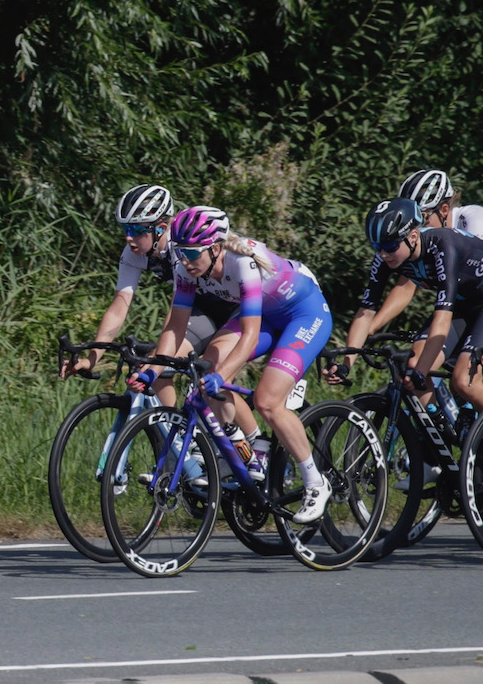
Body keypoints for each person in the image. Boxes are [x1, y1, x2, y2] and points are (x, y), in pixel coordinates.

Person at [129, 206, 335, 522]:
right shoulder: (188, 267)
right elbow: (175, 328)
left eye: (191, 253)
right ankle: (241, 451)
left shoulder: (244, 264)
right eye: (180, 252)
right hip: (266, 316)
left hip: (303, 313)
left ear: (214, 248)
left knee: (267, 401)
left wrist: (222, 376)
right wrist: (151, 370)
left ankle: (315, 482)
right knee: (207, 368)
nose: (183, 261)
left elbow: (249, 338)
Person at [59, 184, 240, 412]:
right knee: (160, 372)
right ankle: (180, 436)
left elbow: (175, 313)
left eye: (135, 230)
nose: (128, 238)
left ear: (160, 229)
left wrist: (155, 357)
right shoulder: (133, 253)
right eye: (125, 229)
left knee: (213, 377)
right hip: (201, 310)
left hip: (234, 310)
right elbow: (119, 307)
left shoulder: (181, 249)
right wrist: (92, 358)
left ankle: (251, 441)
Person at [326, 198, 483, 422]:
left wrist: (421, 372)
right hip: (465, 303)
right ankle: (441, 430)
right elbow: (366, 312)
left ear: (412, 237)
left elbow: (442, 319)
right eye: (377, 247)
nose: (383, 254)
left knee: (462, 381)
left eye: (390, 247)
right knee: (412, 366)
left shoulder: (442, 246)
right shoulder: (387, 255)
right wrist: (346, 365)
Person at [369, 169, 483, 333]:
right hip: (464, 306)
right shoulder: (422, 243)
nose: (415, 227)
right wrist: (370, 329)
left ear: (444, 210)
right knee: (416, 358)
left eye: (422, 218)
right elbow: (405, 288)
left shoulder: (474, 220)